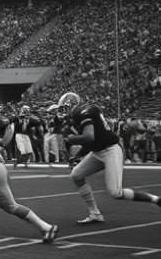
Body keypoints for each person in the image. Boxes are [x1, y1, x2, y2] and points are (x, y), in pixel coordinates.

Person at [58, 92, 161, 224]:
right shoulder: (86, 111)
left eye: (64, 108)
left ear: (70, 104)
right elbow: (93, 141)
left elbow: (89, 137)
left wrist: (71, 139)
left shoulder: (83, 113)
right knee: (76, 175)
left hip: (111, 150)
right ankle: (95, 213)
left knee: (116, 193)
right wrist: (78, 156)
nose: (63, 112)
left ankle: (156, 200)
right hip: (97, 152)